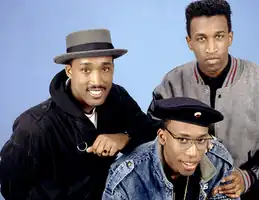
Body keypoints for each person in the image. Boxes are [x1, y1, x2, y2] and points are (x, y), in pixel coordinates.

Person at [147, 1, 259, 199]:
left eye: (218, 37)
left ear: (230, 37)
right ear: (189, 41)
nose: (211, 48)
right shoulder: (172, 83)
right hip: (191, 191)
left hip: (255, 190)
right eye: (201, 38)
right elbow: (151, 133)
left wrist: (249, 176)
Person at [0, 28, 157, 199]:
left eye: (105, 69)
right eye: (86, 70)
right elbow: (12, 189)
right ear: (69, 71)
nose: (97, 81)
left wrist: (124, 137)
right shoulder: (34, 126)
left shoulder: (117, 97)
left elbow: (151, 135)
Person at [102, 97, 239, 200]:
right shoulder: (128, 174)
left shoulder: (218, 161)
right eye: (183, 139)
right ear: (162, 137)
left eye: (201, 140)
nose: (193, 152)